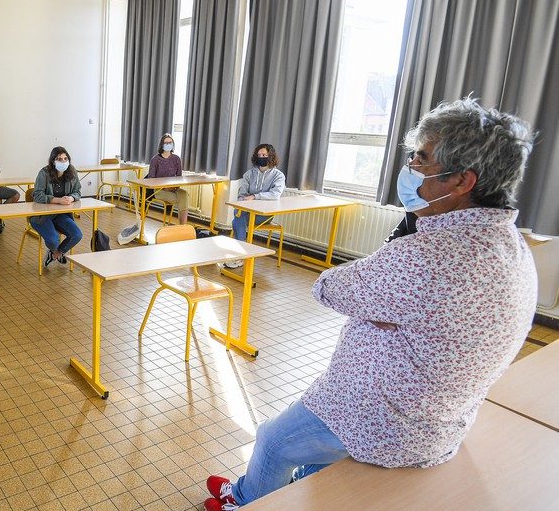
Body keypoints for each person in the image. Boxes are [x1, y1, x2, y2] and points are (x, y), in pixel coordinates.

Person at [203, 98, 537, 510]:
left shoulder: (427, 254)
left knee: (274, 441)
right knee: (313, 463)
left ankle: (243, 500)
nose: (411, 166)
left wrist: (383, 298)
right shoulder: (514, 249)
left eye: (422, 157)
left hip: (381, 416)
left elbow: (327, 287)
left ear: (461, 181)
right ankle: (285, 492)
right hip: (445, 417)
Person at [226, 144, 286, 269]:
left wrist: (255, 196)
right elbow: (242, 195)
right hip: (247, 212)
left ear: (270, 156)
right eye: (259, 155)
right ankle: (241, 254)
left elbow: (275, 194)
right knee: (239, 214)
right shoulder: (249, 174)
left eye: (264, 155)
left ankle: (239, 254)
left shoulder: (278, 175)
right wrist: (244, 200)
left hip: (264, 215)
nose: (261, 157)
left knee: (237, 220)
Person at [31, 146, 83, 267]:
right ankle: (55, 250)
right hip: (42, 215)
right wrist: (58, 200)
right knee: (54, 240)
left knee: (77, 235)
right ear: (53, 160)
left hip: (61, 214)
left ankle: (56, 253)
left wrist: (72, 198)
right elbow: (37, 195)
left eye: (65, 158)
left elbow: (78, 192)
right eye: (59, 159)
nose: (63, 161)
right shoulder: (44, 173)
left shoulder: (72, 171)